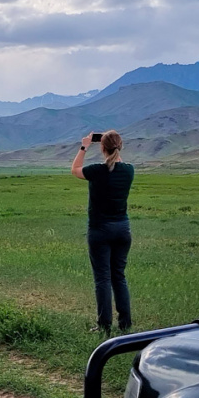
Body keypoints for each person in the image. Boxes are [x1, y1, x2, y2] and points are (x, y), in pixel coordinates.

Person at [71, 129, 134, 336]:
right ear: (120, 147)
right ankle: (125, 323)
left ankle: (104, 325)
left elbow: (75, 170)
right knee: (119, 277)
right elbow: (117, 163)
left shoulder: (97, 171)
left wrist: (84, 146)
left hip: (100, 230)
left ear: (102, 147)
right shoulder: (129, 170)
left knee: (103, 279)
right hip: (122, 229)